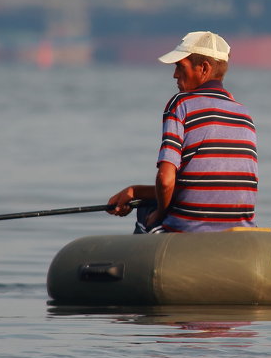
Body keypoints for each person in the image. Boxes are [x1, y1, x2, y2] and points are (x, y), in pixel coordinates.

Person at [107, 31, 257, 233]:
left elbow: (166, 180)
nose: (175, 75)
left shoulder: (181, 104)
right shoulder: (244, 113)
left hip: (187, 231)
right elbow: (204, 188)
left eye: (180, 66)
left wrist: (159, 213)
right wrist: (135, 191)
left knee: (146, 211)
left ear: (204, 68)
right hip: (239, 233)